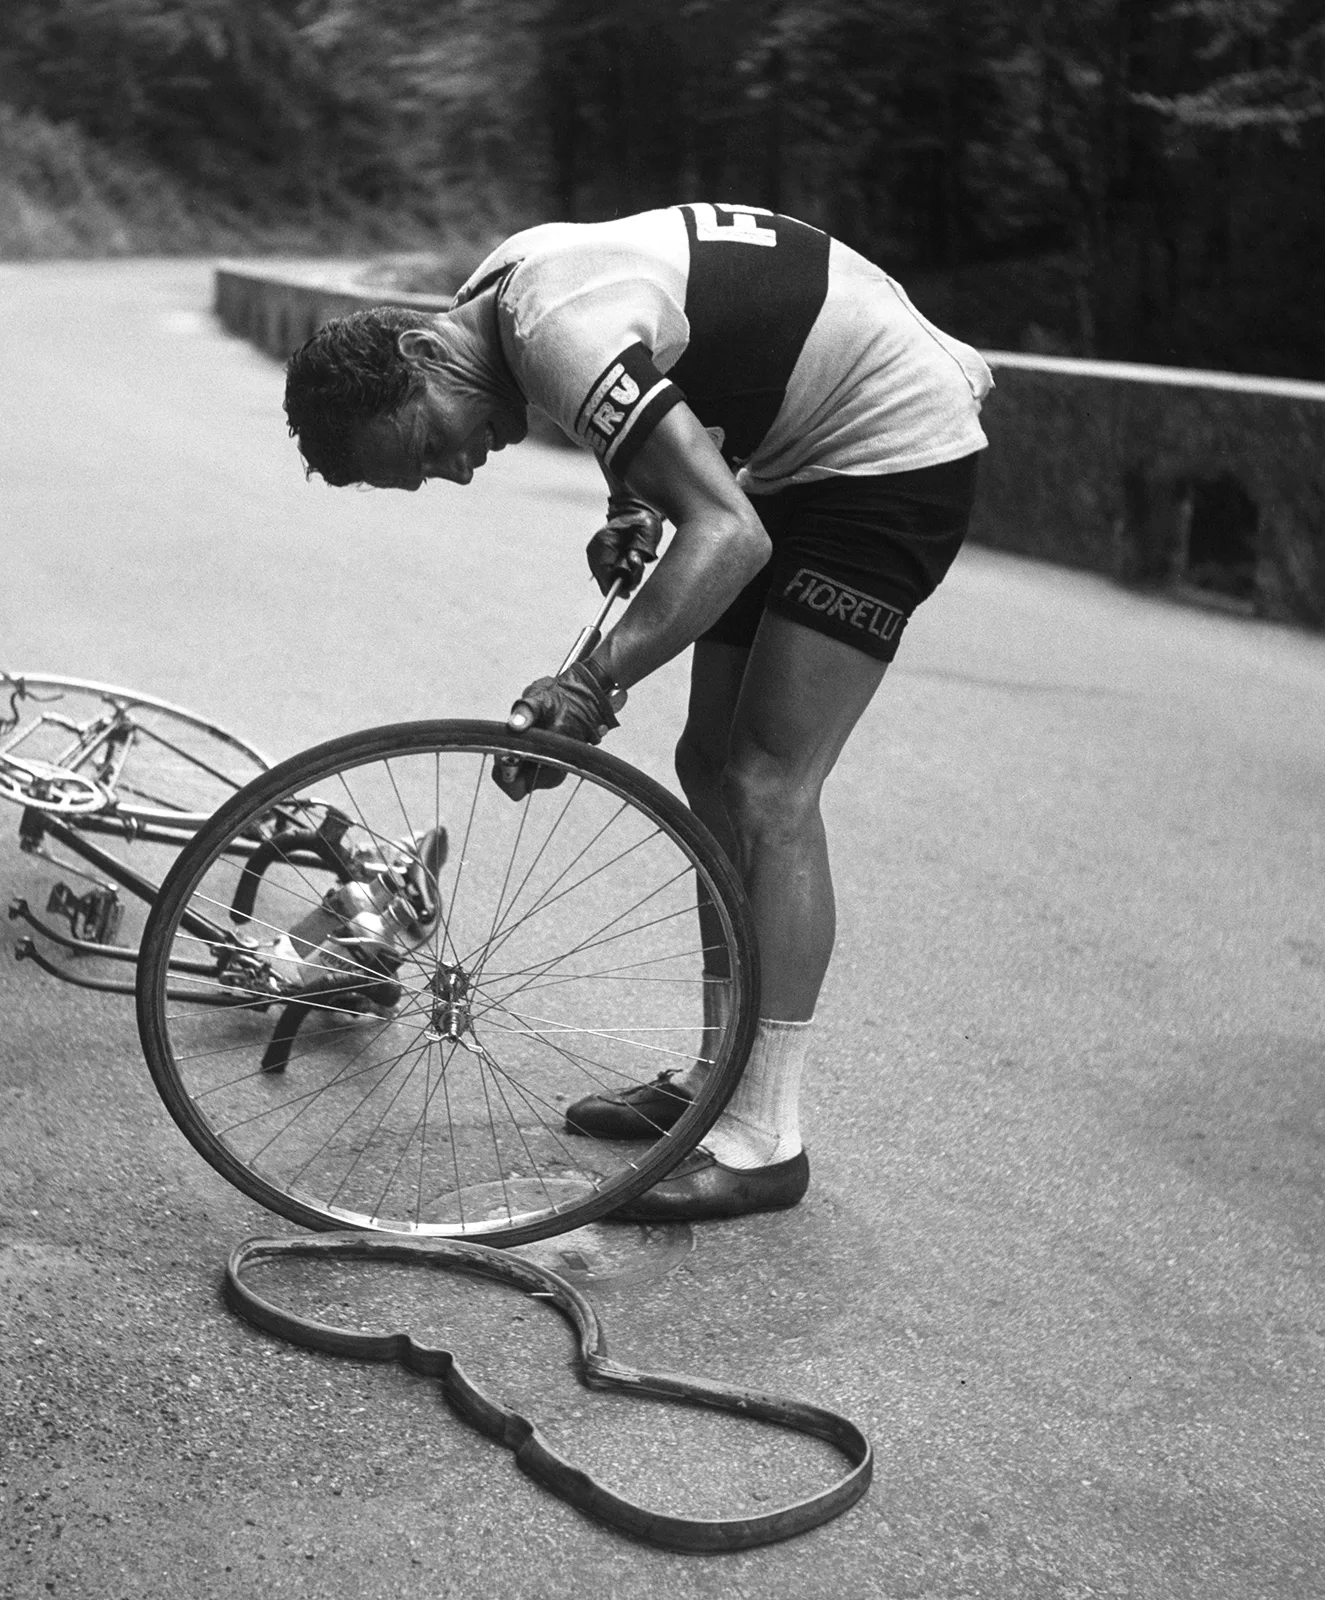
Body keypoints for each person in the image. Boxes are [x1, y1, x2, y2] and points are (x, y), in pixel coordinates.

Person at [283, 202, 992, 1222]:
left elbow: (730, 537)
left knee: (767, 786)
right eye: (433, 475)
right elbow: (675, 365)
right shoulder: (500, 301)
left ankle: (764, 1140)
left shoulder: (549, 329)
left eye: (433, 445)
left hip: (890, 448)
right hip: (794, 454)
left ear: (417, 356)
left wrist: (589, 685)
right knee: (710, 771)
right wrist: (635, 500)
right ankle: (721, 1081)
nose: (464, 467)